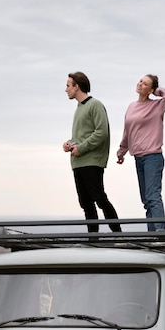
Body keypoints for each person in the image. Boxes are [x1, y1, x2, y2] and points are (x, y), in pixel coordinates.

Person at [116, 75, 165, 231]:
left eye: (145, 84)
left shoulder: (158, 105)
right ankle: (153, 235)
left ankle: (160, 232)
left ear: (151, 89)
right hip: (138, 158)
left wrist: (157, 91)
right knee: (146, 200)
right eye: (140, 81)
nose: (140, 84)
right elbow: (127, 131)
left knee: (153, 196)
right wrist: (122, 151)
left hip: (152, 157)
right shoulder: (131, 106)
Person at [63, 71, 121, 233]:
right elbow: (81, 136)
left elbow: (101, 133)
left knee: (100, 199)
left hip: (92, 161)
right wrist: (70, 143)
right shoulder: (79, 108)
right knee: (86, 204)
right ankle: (93, 240)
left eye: (68, 86)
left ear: (77, 86)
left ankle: (119, 236)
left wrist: (80, 148)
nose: (66, 89)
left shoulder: (95, 104)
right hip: (78, 162)